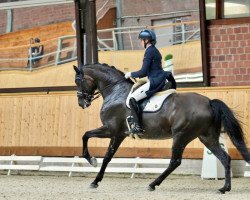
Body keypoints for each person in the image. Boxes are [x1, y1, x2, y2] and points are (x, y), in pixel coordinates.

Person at [124, 29, 175, 134]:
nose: (140, 42)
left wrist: (130, 74)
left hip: (155, 80)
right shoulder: (154, 50)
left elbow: (143, 72)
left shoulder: (149, 51)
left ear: (146, 40)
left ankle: (137, 127)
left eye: (141, 40)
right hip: (160, 78)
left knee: (132, 99)